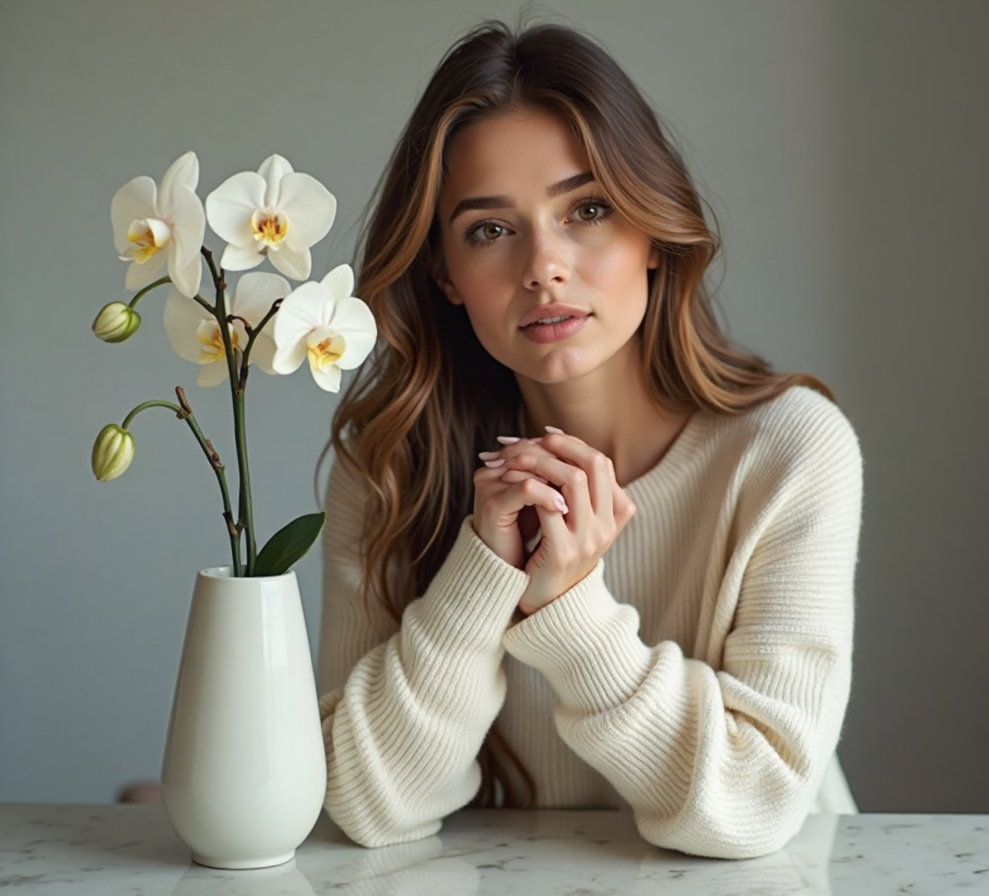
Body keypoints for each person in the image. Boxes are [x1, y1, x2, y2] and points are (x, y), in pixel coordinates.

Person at [317, 20, 863, 861]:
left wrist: (570, 609)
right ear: (444, 273)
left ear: (654, 231)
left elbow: (754, 804)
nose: (543, 266)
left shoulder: (789, 451)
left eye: (589, 210)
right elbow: (365, 803)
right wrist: (483, 570)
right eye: (490, 230)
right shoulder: (391, 464)